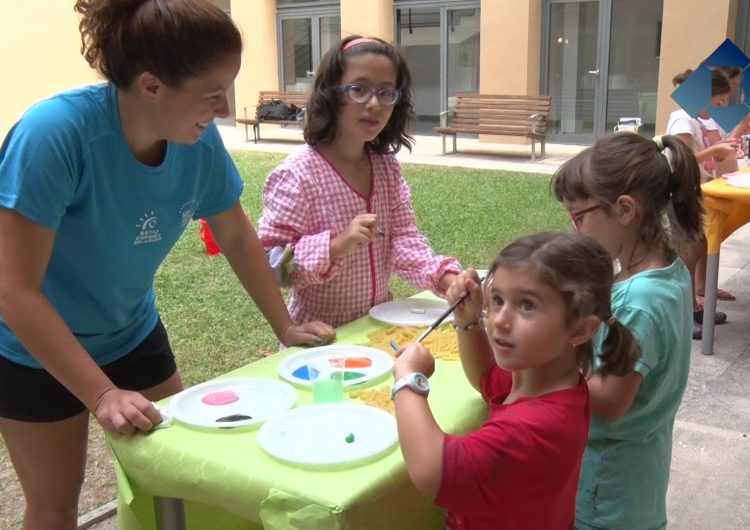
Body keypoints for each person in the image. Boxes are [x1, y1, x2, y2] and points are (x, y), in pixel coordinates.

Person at [0, 1, 334, 529]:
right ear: (152, 85)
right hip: (32, 352)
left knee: (178, 470)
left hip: (131, 333)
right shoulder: (55, 135)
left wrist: (286, 325)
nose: (225, 108)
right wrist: (102, 393)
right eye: (211, 93)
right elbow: (15, 291)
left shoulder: (196, 145)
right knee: (56, 501)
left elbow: (237, 237)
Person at [392, 232, 640, 530]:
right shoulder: (546, 382)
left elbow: (431, 469)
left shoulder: (534, 427)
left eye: (526, 306)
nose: (499, 320)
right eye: (497, 300)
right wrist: (469, 321)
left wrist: (409, 379)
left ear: (580, 329)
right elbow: (486, 378)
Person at [551, 132, 702, 529]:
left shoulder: (638, 302)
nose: (574, 230)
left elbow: (611, 401)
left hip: (609, 483)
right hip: (640, 474)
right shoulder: (667, 272)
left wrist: (554, 356)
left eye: (578, 216)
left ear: (624, 209)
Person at [257, 36, 461, 328]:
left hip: (377, 327)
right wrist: (336, 245)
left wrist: (448, 279)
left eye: (386, 92)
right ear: (331, 93)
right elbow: (268, 264)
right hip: (321, 337)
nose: (374, 104)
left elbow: (403, 241)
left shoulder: (386, 169)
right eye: (359, 90)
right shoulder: (298, 176)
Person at [669, 68, 737, 337]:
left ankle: (695, 306)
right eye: (718, 102)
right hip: (681, 194)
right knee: (686, 255)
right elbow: (681, 161)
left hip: (697, 193)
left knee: (698, 246)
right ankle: (685, 315)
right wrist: (716, 150)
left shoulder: (696, 120)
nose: (721, 108)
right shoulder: (682, 121)